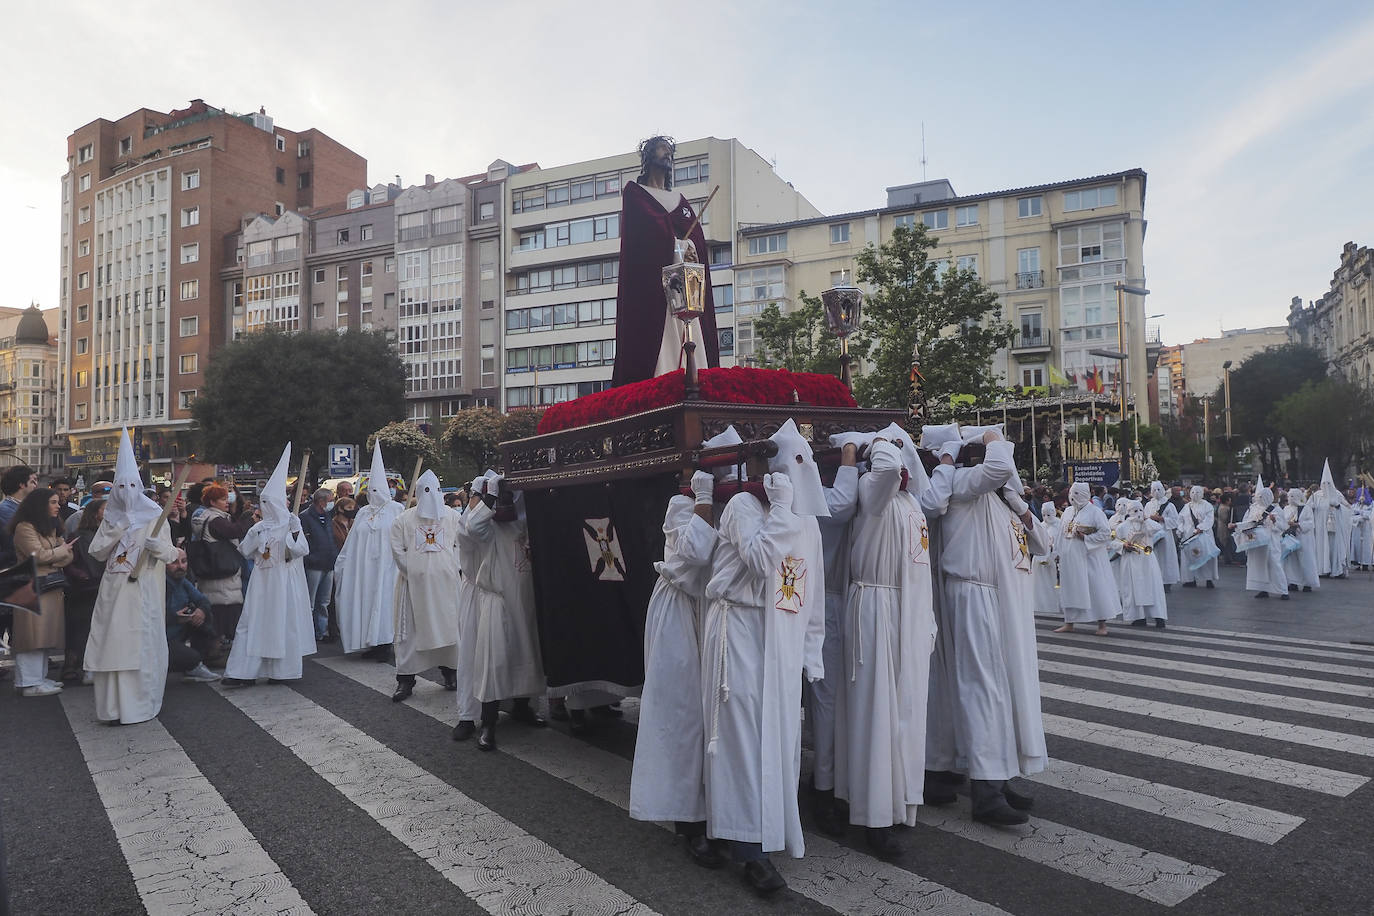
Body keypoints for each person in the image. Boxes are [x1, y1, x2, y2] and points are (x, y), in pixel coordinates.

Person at [699, 419, 825, 895]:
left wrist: (810, 651)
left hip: (780, 636)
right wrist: (782, 509)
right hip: (741, 630)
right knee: (739, 738)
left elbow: (810, 591)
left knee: (776, 740)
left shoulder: (805, 519)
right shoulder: (741, 506)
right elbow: (759, 559)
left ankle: (762, 831)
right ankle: (746, 848)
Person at [924, 426, 1047, 827]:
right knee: (983, 688)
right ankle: (986, 790)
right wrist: (990, 434)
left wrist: (1019, 503)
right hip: (972, 594)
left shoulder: (999, 499)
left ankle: (995, 772)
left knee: (1000, 688)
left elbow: (1044, 544)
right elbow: (996, 467)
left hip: (1000, 600)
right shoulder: (964, 483)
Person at [833, 427, 942, 857]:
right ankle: (872, 816)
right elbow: (887, 467)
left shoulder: (912, 503)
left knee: (905, 713)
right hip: (874, 608)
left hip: (908, 612)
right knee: (875, 713)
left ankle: (897, 802)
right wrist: (880, 441)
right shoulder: (870, 492)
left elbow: (923, 489)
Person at [629, 471, 720, 866]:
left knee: (713, 717)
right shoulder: (681, 506)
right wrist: (703, 497)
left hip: (712, 614)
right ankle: (687, 818)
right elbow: (697, 552)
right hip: (678, 613)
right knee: (682, 716)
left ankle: (717, 808)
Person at [84, 429, 183, 724]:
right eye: (121, 485)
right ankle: (111, 709)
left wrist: (159, 546)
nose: (126, 491)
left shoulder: (155, 515)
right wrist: (116, 527)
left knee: (139, 646)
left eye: (131, 485)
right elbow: (97, 552)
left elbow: (171, 555)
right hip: (113, 594)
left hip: (144, 593)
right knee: (112, 646)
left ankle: (140, 704)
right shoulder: (112, 516)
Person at [609, 135, 720, 387]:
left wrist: (690, 248)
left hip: (684, 293)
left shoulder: (681, 202)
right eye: (661, 150)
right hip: (654, 295)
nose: (667, 154)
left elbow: (698, 241)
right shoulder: (635, 194)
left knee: (692, 335)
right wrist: (674, 244)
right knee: (661, 347)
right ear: (648, 156)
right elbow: (643, 239)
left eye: (670, 151)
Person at [464, 471, 547, 748]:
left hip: (525, 598)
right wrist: (491, 496)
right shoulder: (490, 528)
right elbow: (471, 527)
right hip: (497, 600)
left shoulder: (529, 522)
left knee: (527, 656)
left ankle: (522, 707)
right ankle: (488, 723)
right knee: (494, 662)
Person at [222, 444, 316, 687]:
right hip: (261, 584)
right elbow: (244, 550)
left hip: (283, 584)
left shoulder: (290, 525)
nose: (265, 506)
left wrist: (295, 530)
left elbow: (300, 551)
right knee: (251, 623)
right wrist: (253, 531)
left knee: (282, 625)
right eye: (262, 502)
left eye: (269, 502)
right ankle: (242, 672)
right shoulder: (260, 527)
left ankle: (281, 671)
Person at [805, 435, 861, 837]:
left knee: (827, 701)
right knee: (824, 700)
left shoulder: (805, 491)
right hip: (815, 603)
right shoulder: (808, 495)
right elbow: (840, 503)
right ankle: (821, 790)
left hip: (826, 601)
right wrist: (848, 458)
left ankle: (825, 783)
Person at [389, 470, 461, 702]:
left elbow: (461, 544)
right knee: (410, 633)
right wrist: (414, 571)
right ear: (419, 494)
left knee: (449, 628)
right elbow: (397, 549)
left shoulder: (451, 517)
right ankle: (406, 679)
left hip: (446, 586)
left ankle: (450, 672)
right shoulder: (404, 519)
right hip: (413, 586)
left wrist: (452, 566)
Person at [334, 443, 401, 659]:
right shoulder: (362, 513)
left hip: (387, 567)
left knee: (384, 604)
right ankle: (369, 642)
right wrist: (344, 563)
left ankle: (384, 643)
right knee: (365, 602)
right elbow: (352, 541)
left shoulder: (397, 510)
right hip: (364, 569)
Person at [9, 488, 75, 697]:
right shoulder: (24, 527)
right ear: (40, 505)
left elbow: (67, 556)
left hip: (50, 585)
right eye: (54, 502)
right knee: (32, 634)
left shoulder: (49, 528)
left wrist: (56, 554)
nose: (58, 506)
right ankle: (29, 682)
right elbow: (37, 556)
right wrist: (59, 552)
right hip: (32, 587)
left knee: (46, 633)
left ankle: (39, 677)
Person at [189, 485, 255, 649]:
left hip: (211, 574)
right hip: (222, 574)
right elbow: (235, 530)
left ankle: (214, 649)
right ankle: (215, 651)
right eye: (223, 499)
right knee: (223, 617)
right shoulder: (215, 520)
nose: (227, 502)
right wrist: (252, 520)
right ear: (212, 501)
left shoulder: (205, 517)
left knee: (217, 615)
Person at [1055, 482, 1120, 637]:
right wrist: (1057, 552)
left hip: (1089, 558)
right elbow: (1060, 533)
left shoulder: (1095, 512)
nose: (1073, 497)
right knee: (1070, 589)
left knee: (1095, 588)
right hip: (1070, 559)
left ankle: (1102, 624)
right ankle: (1069, 622)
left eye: (1077, 494)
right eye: (1072, 493)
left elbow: (1105, 533)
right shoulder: (1068, 511)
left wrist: (1087, 537)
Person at [60, 498, 105, 684]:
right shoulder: (78, 535)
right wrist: (81, 575)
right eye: (105, 509)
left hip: (102, 586)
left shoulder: (111, 534)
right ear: (95, 513)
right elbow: (69, 563)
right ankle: (72, 666)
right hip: (84, 589)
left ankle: (93, 666)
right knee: (80, 629)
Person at [163, 555, 222, 683]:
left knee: (205, 616)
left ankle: (197, 663)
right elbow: (150, 617)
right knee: (190, 657)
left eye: (183, 561)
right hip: (161, 640)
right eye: (174, 562)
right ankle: (190, 663)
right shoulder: (161, 585)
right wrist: (175, 618)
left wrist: (200, 611)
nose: (180, 566)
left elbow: (203, 600)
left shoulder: (183, 582)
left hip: (178, 635)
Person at [1232, 479, 1288, 599]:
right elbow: (1247, 522)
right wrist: (1236, 525)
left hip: (1271, 542)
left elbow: (1283, 526)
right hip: (1256, 542)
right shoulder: (1252, 509)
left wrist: (1274, 522)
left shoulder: (1277, 510)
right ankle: (1263, 589)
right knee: (1258, 565)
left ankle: (1283, 590)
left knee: (1274, 564)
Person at [1116, 500, 1168, 628]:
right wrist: (1123, 545)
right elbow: (1112, 541)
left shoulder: (1147, 524)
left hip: (1147, 560)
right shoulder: (1123, 526)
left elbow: (1158, 528)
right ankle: (1139, 617)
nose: (1137, 513)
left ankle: (1158, 617)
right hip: (1131, 560)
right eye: (1134, 510)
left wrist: (1145, 519)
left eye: (1140, 510)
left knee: (1153, 588)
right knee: (1134, 589)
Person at [300, 488, 339, 642]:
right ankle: (307, 633)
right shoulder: (305, 517)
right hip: (314, 564)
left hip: (328, 563)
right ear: (321, 501)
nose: (332, 503)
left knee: (324, 601)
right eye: (330, 500)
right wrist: (311, 558)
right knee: (310, 601)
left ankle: (320, 632)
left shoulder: (328, 516)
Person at [1179, 486, 1220, 588]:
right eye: (1193, 492)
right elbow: (1180, 519)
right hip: (1189, 535)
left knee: (1206, 555)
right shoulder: (1186, 506)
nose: (1195, 494)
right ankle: (1191, 579)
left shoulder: (1207, 506)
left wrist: (1201, 528)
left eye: (1197, 492)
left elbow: (1209, 519)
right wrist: (1180, 530)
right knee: (1190, 556)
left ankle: (1209, 579)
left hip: (1204, 534)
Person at [1145, 481, 1181, 592]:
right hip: (1152, 534)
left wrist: (1162, 519)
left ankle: (1167, 582)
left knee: (1166, 558)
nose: (1156, 492)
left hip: (1165, 535)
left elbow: (1175, 521)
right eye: (1154, 490)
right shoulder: (1148, 505)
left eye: (1159, 489)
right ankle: (1154, 580)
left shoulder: (1169, 505)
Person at [0, 466, 39, 568]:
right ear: (21, 484)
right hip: (14, 570)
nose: (36, 485)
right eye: (32, 481)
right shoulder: (5, 511)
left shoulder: (28, 508)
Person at [1031, 502, 1062, 616]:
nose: (1046, 518)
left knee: (1052, 584)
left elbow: (1060, 543)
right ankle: (1039, 605)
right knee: (1039, 585)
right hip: (1039, 559)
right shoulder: (1041, 525)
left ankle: (1052, 606)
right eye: (1044, 515)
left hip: (1053, 561)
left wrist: (1054, 554)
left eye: (1048, 515)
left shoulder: (1059, 525)